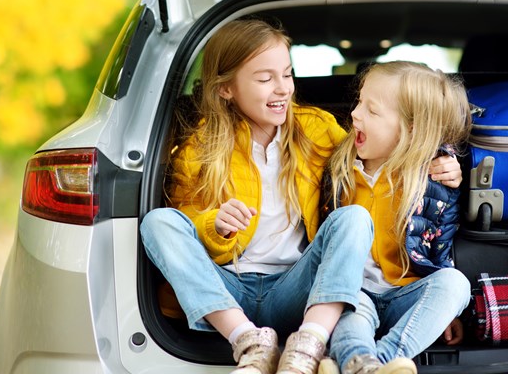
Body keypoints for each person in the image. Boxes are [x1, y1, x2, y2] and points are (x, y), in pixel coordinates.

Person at [139, 19, 463, 374]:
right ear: (226, 88)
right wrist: (214, 225)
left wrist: (441, 158)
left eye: (288, 74)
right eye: (265, 79)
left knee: (353, 218)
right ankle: (249, 345)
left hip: (296, 288)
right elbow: (184, 229)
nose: (282, 89)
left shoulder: (317, 130)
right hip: (226, 291)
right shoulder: (198, 150)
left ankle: (308, 347)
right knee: (158, 222)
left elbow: (384, 144)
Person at [317, 61, 473, 374]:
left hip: (406, 292)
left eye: (371, 110)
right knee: (348, 317)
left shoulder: (433, 178)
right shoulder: (339, 168)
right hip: (354, 292)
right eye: (359, 102)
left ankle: (382, 360)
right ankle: (363, 364)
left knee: (456, 284)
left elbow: (440, 246)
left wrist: (443, 313)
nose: (355, 114)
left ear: (410, 129)